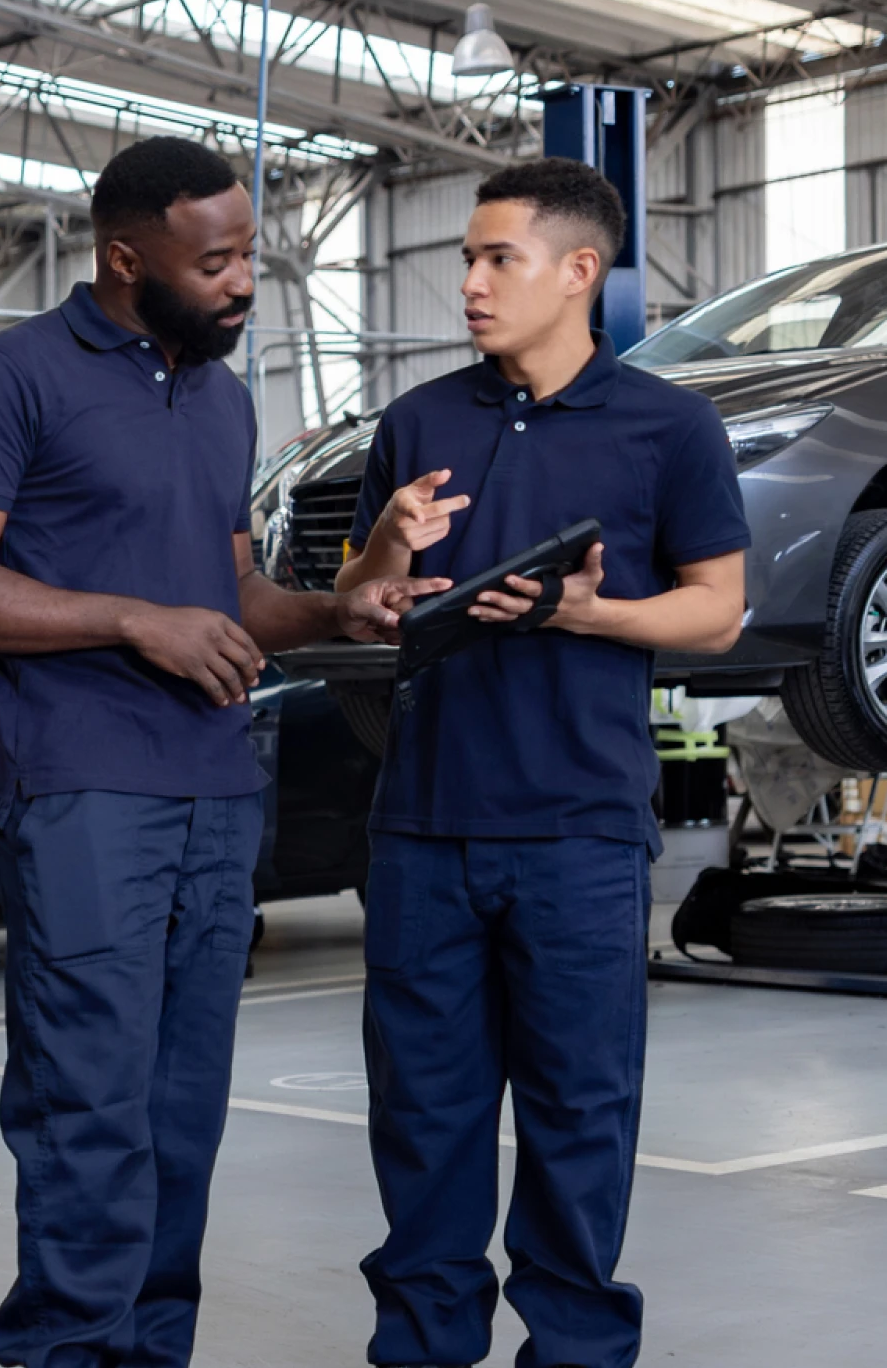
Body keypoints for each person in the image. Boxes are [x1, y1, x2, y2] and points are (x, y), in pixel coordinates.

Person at [0, 136, 446, 1368]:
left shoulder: (221, 396)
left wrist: (337, 611)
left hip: (213, 785)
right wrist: (130, 617)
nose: (243, 279)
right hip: (83, 783)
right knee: (88, 1109)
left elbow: (233, 592)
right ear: (124, 255)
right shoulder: (11, 378)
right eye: (216, 261)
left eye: (250, 253)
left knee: (180, 1119)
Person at [334, 157, 751, 1368]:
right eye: (464, 257)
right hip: (421, 829)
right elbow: (366, 608)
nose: (467, 281)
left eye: (494, 258)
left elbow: (717, 610)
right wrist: (382, 558)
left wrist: (590, 615)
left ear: (579, 273)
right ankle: (421, 1350)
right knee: (423, 1122)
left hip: (579, 832)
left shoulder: (670, 426)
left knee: (578, 1118)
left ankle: (574, 1352)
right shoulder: (419, 422)